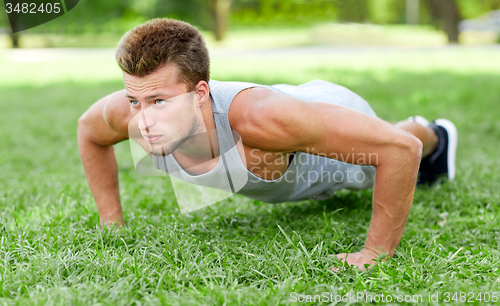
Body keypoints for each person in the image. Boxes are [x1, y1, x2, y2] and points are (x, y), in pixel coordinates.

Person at [77, 18, 458, 271]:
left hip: (316, 122)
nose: (143, 119)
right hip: (287, 120)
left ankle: (436, 134)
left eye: (160, 101)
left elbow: (398, 150)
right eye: (136, 100)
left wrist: (375, 253)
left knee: (394, 139)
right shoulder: (130, 112)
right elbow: (89, 132)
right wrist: (112, 224)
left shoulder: (263, 120)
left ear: (199, 93)